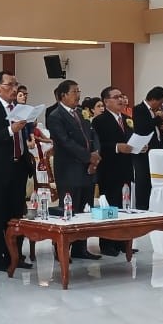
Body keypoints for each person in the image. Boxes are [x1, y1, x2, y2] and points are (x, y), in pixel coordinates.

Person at [0, 71, 34, 273]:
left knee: (16, 215)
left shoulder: (20, 109)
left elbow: (23, 138)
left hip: (18, 168)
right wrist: (11, 130)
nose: (14, 89)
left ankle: (15, 256)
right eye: (9, 85)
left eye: (15, 84)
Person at [46, 80, 100, 260]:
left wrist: (95, 153)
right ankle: (62, 250)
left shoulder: (80, 112)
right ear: (63, 95)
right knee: (69, 209)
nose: (78, 95)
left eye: (79, 91)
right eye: (74, 91)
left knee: (85, 207)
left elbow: (92, 134)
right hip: (69, 168)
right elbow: (65, 142)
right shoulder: (55, 116)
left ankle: (80, 248)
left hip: (86, 167)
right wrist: (87, 156)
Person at [91, 86, 135, 254]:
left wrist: (138, 146)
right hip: (109, 169)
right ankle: (107, 243)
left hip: (126, 167)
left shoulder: (127, 119)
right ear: (106, 101)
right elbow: (98, 145)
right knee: (110, 205)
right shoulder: (100, 121)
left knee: (124, 205)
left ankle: (123, 242)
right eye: (116, 97)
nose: (121, 100)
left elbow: (130, 140)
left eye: (122, 96)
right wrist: (117, 147)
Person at [130, 86, 163, 211]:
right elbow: (143, 128)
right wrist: (159, 118)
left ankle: (153, 206)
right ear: (153, 99)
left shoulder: (154, 111)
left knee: (153, 180)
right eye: (160, 103)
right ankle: (142, 207)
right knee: (143, 180)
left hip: (156, 150)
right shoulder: (139, 109)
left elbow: (156, 127)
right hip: (143, 151)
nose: (161, 106)